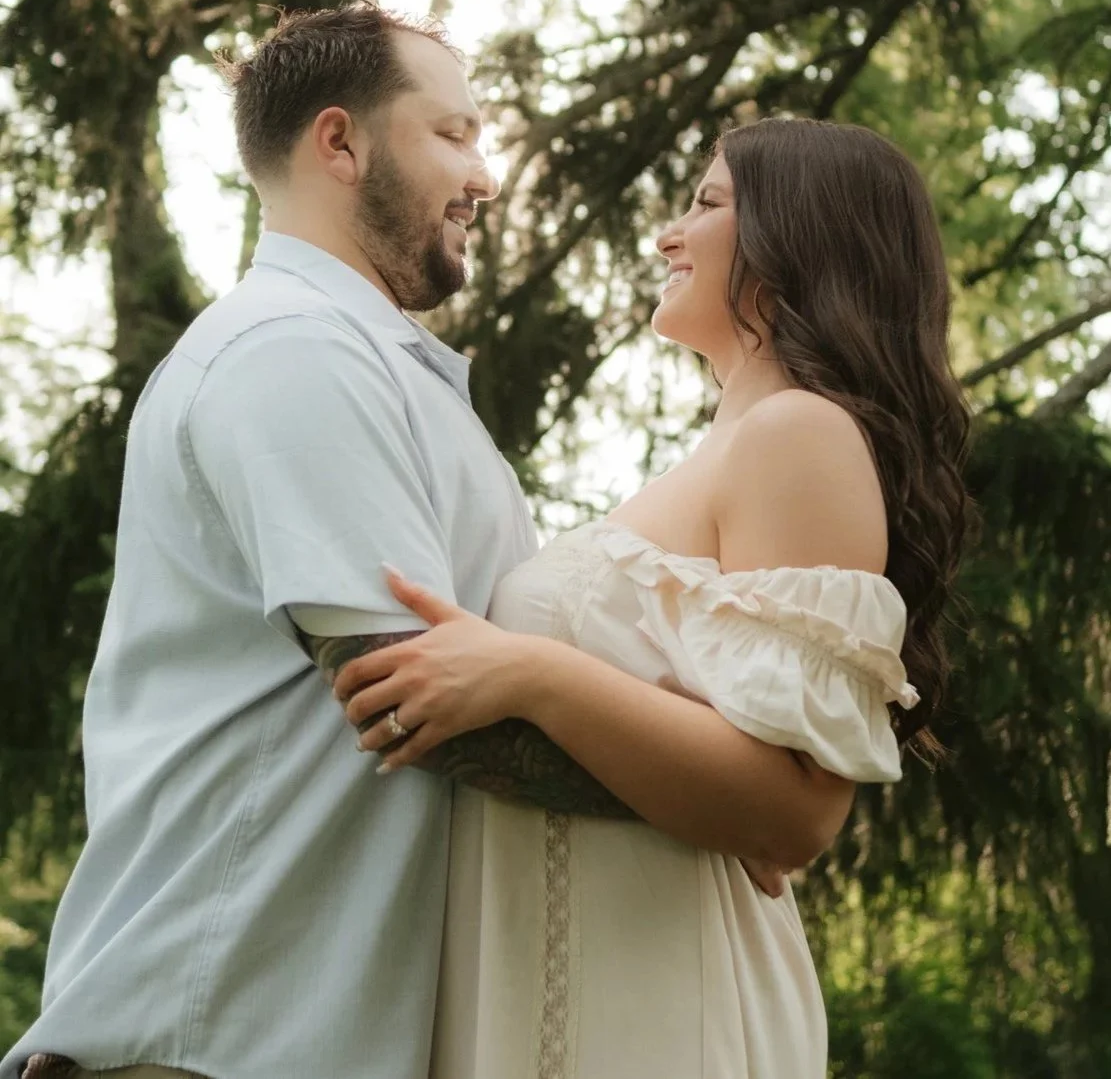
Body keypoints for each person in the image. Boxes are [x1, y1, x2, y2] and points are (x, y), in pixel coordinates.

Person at [5, 5, 839, 1079]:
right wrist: (729, 803)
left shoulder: (383, 370)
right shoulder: (292, 352)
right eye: (453, 133)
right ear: (340, 142)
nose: (484, 173)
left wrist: (725, 791)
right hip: (213, 1036)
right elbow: (415, 703)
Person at [333, 117, 973, 1079]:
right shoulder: (717, 458)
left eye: (708, 204)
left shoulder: (799, 434)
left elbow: (794, 813)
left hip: (668, 1000)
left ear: (801, 237)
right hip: (561, 978)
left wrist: (530, 671)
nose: (668, 233)